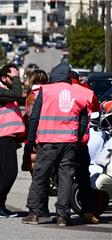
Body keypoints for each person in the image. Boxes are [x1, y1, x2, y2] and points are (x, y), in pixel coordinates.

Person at [22, 63, 89, 226]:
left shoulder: (45, 91)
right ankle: (62, 217)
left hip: (48, 142)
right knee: (65, 178)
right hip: (69, 143)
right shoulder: (79, 93)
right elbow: (83, 121)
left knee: (40, 176)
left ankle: (34, 213)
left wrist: (30, 140)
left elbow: (34, 117)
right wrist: (77, 138)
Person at [0, 63, 25, 218]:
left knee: (3, 172)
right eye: (12, 76)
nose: (16, 78)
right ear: (3, 78)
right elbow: (17, 94)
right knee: (10, 172)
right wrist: (16, 78)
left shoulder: (2, 91)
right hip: (3, 136)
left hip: (7, 136)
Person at [71, 70, 100, 224]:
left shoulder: (57, 91)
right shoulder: (87, 92)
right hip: (83, 140)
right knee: (83, 177)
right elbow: (96, 113)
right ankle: (87, 211)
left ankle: (61, 212)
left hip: (60, 139)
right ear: (78, 78)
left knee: (63, 176)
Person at [21, 70, 48, 173]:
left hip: (35, 135)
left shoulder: (32, 96)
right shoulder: (49, 94)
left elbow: (32, 117)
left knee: (35, 166)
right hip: (49, 134)